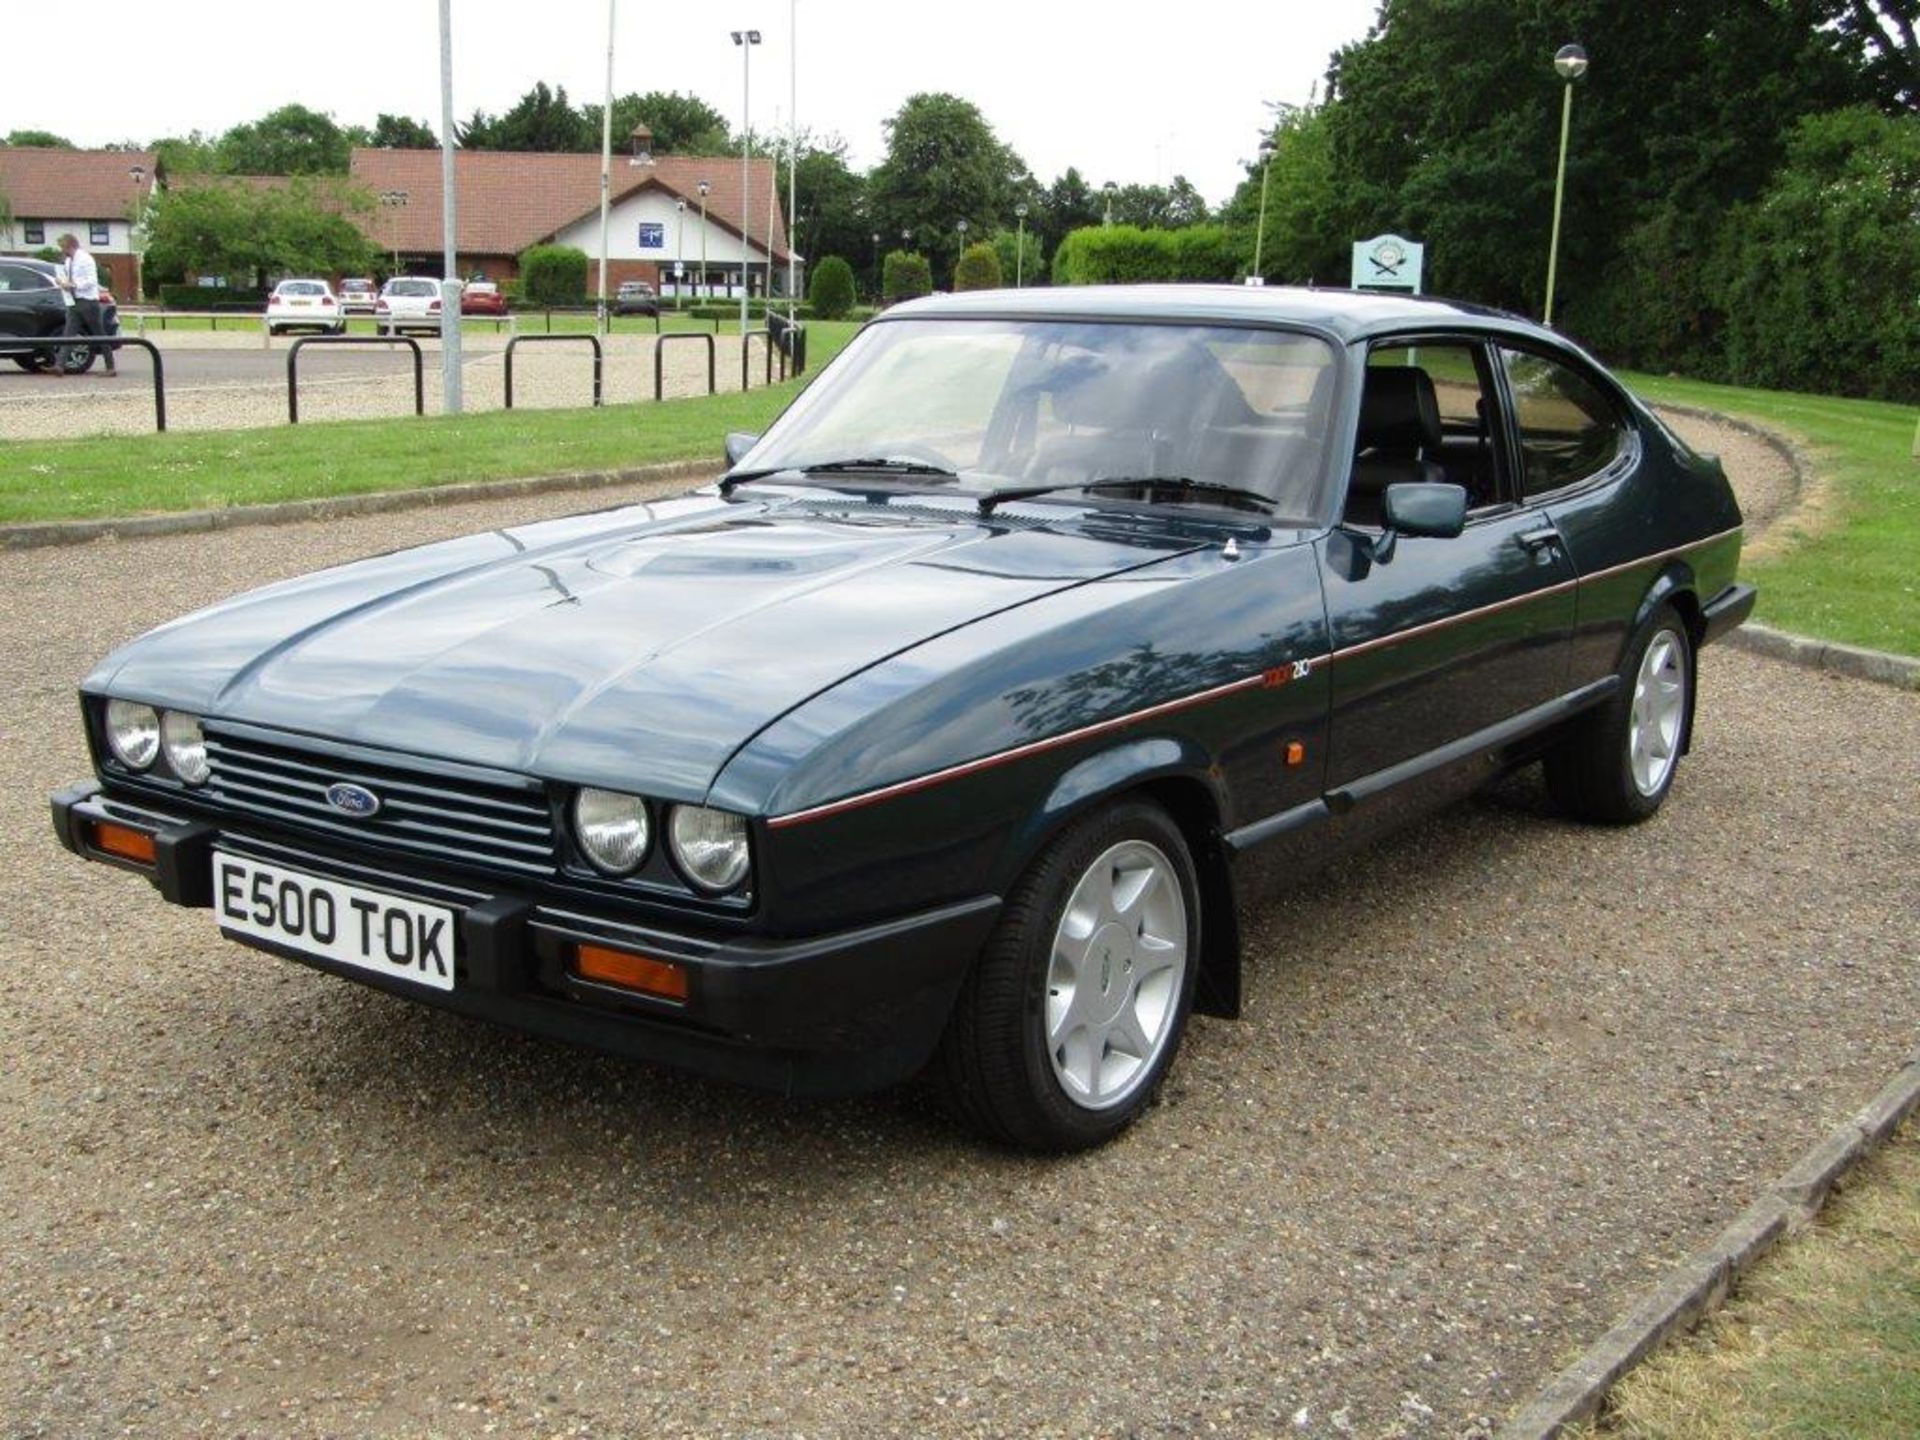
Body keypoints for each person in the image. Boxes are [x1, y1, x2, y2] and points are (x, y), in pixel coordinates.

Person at [54, 233, 116, 377]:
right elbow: (69, 279)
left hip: (88, 301)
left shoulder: (86, 259)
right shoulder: (69, 261)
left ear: (69, 246)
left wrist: (73, 285)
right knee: (68, 333)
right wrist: (62, 283)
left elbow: (91, 281)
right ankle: (60, 366)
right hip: (74, 302)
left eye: (63, 247)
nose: (61, 250)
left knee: (99, 333)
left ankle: (110, 366)